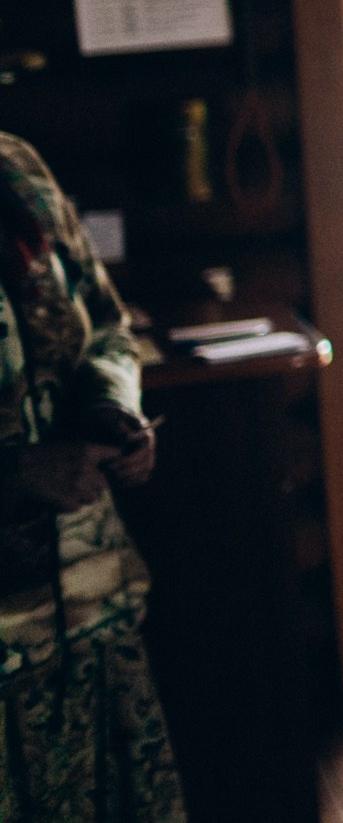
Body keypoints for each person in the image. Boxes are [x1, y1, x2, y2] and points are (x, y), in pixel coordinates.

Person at [0, 131, 184, 821]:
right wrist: (15, 476)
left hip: (92, 615)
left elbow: (106, 325)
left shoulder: (17, 166)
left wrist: (111, 408)